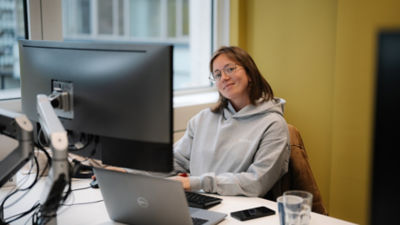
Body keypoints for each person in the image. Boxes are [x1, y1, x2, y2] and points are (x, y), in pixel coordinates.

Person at [170, 46, 290, 197]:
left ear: (250, 73)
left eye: (230, 69)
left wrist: (197, 183)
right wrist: (136, 170)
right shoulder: (202, 119)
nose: (224, 78)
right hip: (199, 202)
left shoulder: (273, 124)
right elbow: (175, 161)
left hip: (240, 211)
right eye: (217, 74)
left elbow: (257, 182)